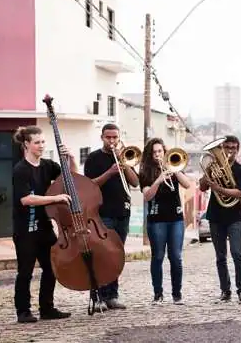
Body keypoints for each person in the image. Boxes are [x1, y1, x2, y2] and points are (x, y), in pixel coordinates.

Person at [12, 125, 75, 323]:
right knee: (25, 271)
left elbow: (71, 179)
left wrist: (70, 159)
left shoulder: (48, 165)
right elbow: (26, 199)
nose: (41, 145)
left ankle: (47, 308)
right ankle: (23, 311)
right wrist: (55, 198)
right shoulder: (20, 169)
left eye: (43, 142)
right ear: (26, 144)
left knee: (52, 267)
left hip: (45, 227)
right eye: (37, 142)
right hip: (26, 229)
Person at [84, 123, 139, 310]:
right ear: (102, 137)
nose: (112, 141)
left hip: (123, 212)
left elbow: (135, 182)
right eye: (108, 137)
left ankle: (112, 295)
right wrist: (110, 172)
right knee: (102, 256)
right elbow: (90, 185)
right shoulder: (93, 158)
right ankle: (99, 296)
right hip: (103, 214)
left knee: (116, 256)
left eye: (115, 137)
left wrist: (125, 166)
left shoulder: (124, 157)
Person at [139, 138, 190, 305]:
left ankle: (177, 294)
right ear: (149, 155)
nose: (157, 155)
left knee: (176, 257)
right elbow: (147, 196)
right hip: (157, 219)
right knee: (158, 257)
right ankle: (158, 294)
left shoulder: (173, 166)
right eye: (154, 152)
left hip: (175, 218)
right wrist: (158, 180)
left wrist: (173, 169)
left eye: (160, 151)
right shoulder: (145, 172)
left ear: (164, 151)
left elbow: (187, 184)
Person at [199, 135, 241, 303]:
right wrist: (207, 176)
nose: (230, 151)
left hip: (234, 216)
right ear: (221, 149)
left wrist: (219, 188)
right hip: (215, 216)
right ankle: (225, 291)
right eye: (227, 147)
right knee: (220, 256)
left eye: (233, 148)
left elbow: (240, 193)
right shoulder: (214, 167)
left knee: (237, 254)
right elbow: (202, 187)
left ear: (238, 150)